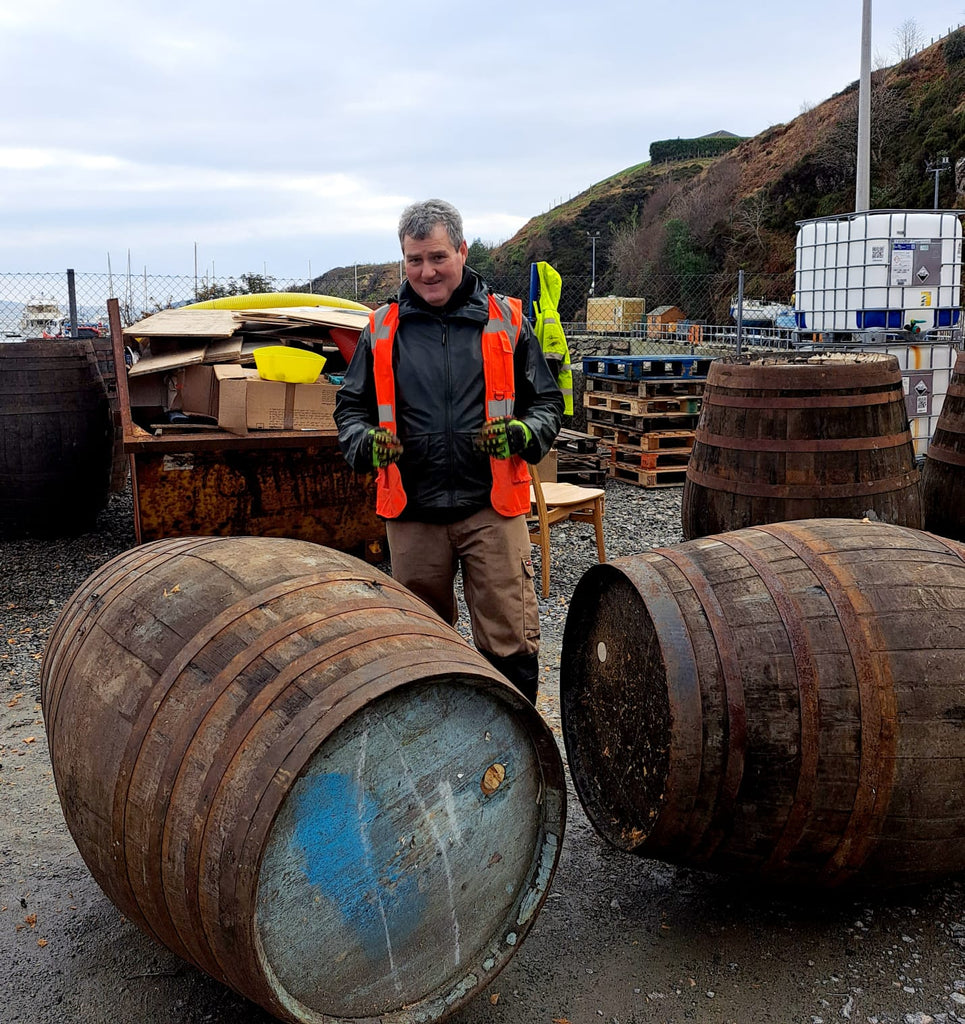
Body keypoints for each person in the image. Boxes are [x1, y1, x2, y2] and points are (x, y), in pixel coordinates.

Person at [334, 198, 563, 703]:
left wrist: (526, 434)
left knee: (511, 643)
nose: (427, 271)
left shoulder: (507, 321)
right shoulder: (381, 329)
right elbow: (349, 410)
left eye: (437, 256)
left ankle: (519, 746)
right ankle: (435, 751)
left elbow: (546, 401)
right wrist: (362, 443)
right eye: (414, 260)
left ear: (461, 250)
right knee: (420, 646)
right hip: (413, 514)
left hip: (492, 509)